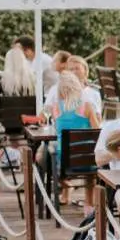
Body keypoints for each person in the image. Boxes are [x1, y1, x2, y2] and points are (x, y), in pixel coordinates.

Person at [47, 71, 102, 207]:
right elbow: (97, 132)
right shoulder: (87, 106)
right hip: (87, 159)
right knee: (90, 172)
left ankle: (66, 185)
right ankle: (89, 205)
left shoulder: (56, 109)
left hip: (64, 161)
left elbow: (57, 129)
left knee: (45, 155)